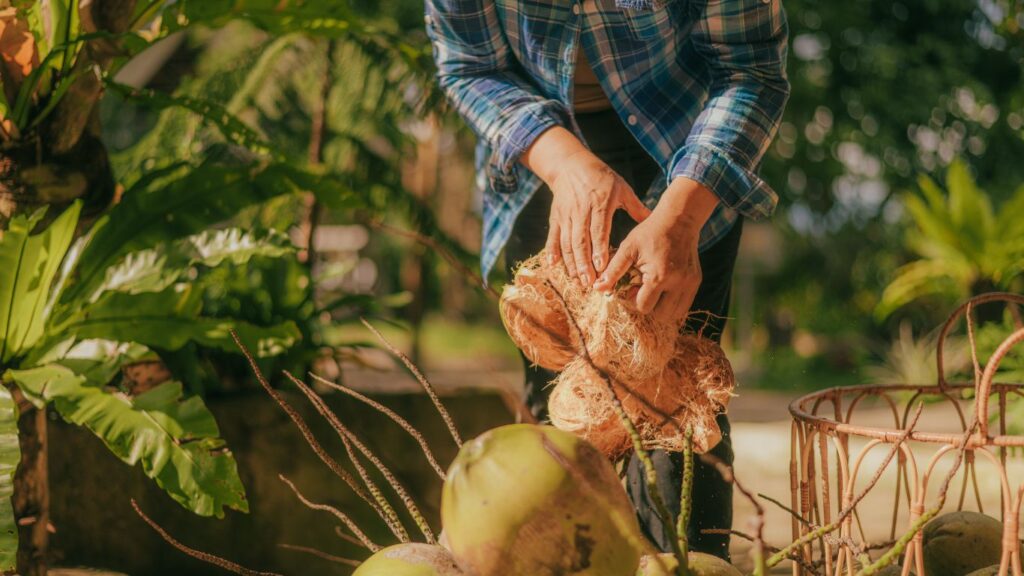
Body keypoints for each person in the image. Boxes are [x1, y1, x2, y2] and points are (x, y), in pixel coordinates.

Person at [424, 0, 790, 560]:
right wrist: (566, 165)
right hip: (538, 154)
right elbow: (468, 66)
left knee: (677, 417)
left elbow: (751, 69)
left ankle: (686, 563)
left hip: (689, 155)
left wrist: (684, 216)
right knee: (565, 416)